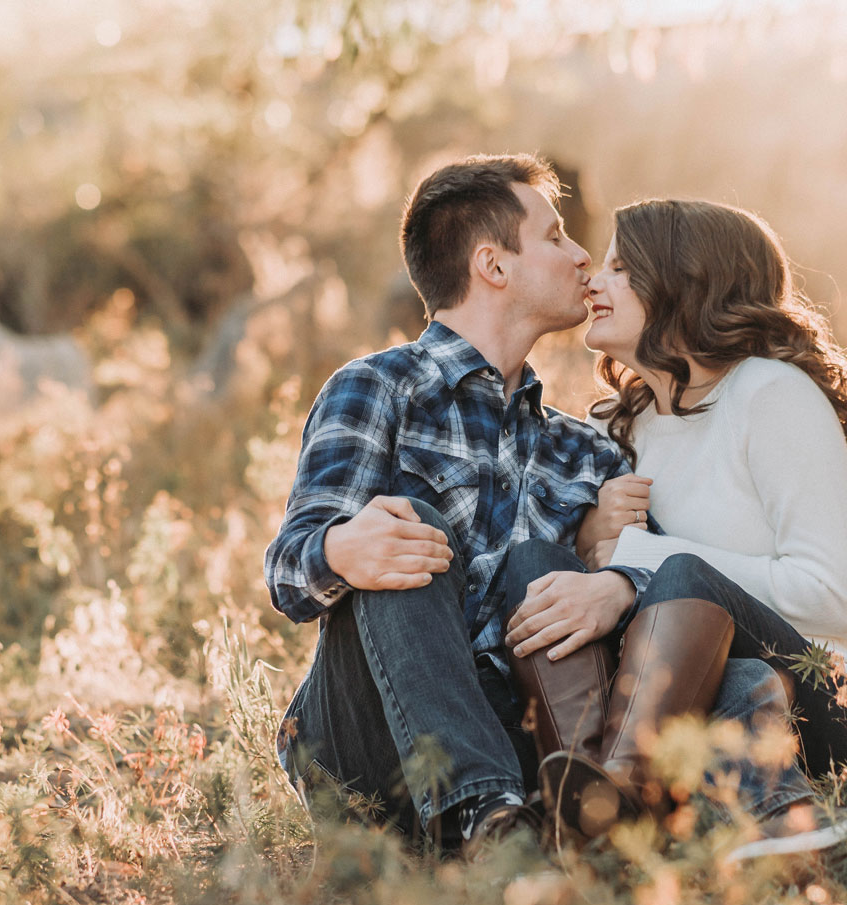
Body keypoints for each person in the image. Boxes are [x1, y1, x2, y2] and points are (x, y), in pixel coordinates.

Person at [264, 156, 798, 861]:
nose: (582, 258)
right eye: (555, 237)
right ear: (493, 265)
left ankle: (791, 841)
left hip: (531, 744)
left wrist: (614, 581)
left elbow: (672, 593)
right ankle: (486, 814)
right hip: (378, 743)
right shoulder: (377, 388)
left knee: (741, 678)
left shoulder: (587, 449)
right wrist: (340, 550)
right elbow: (288, 572)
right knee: (409, 532)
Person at [517, 197, 847, 889]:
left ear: (682, 282)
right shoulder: (617, 426)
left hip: (838, 710)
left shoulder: (770, 395)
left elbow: (834, 598)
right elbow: (615, 600)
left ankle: (614, 807)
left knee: (689, 581)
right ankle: (785, 838)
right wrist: (589, 548)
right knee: (736, 675)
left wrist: (641, 564)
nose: (593, 282)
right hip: (704, 705)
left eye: (619, 268)